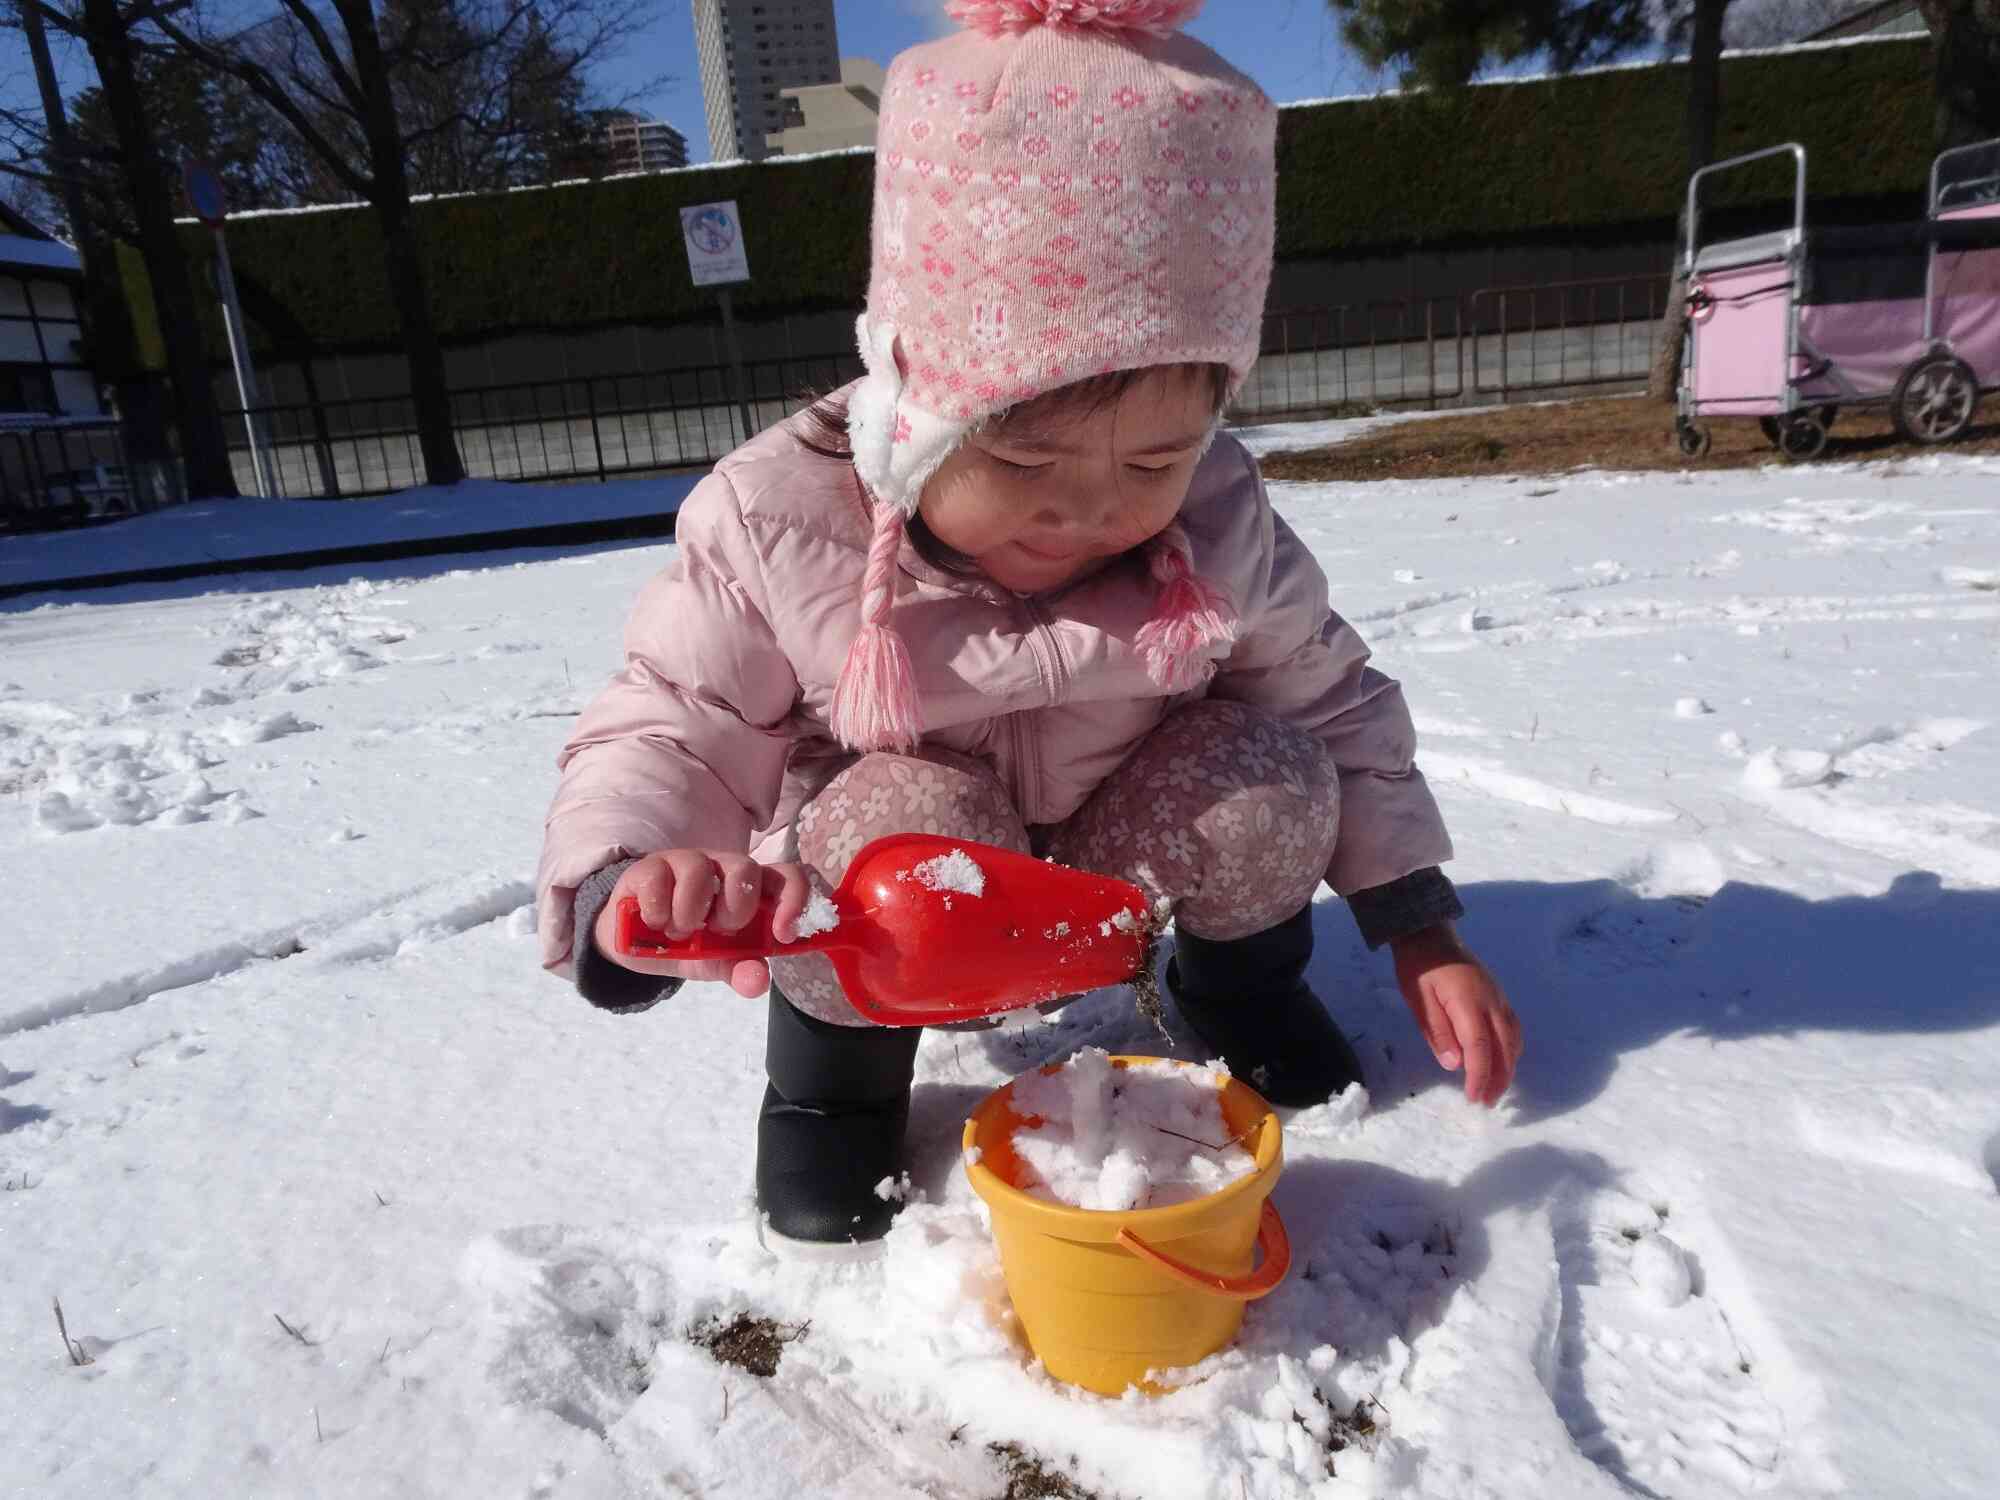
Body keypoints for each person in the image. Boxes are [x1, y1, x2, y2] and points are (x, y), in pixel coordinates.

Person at [536, 0, 1522, 1254]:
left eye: (1154, 456)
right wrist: (639, 872)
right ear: (918, 404)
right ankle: (832, 1089)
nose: (1089, 508)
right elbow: (673, 723)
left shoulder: (1213, 515)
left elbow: (1328, 698)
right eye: (1025, 454)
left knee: (1272, 776)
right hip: (904, 900)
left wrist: (1415, 923)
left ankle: (1245, 996)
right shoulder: (782, 518)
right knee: (895, 821)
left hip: (1118, 856)